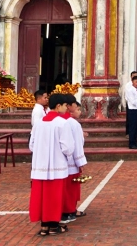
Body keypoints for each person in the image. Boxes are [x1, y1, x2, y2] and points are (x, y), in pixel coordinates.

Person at [29, 93, 75, 236]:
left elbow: (31, 145)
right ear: (58, 106)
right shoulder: (63, 123)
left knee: (41, 196)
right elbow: (67, 147)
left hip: (40, 166)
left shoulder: (39, 123)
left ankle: (44, 226)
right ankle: (54, 226)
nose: (66, 108)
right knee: (54, 196)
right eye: (64, 106)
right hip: (57, 165)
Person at [62, 96, 87, 223]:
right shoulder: (72, 123)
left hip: (58, 161)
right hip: (71, 160)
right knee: (71, 187)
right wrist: (80, 161)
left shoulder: (56, 120)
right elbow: (77, 144)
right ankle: (70, 210)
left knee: (63, 188)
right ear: (70, 106)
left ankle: (66, 210)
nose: (79, 111)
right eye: (77, 108)